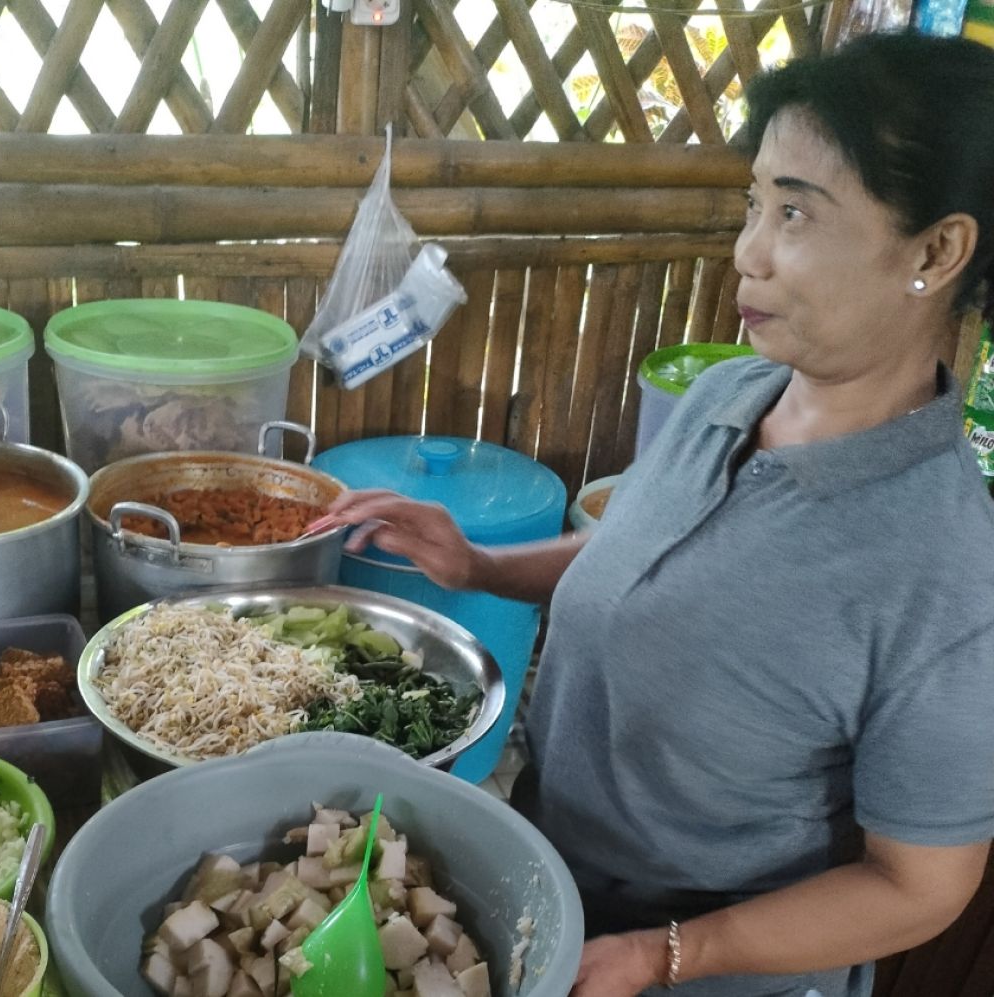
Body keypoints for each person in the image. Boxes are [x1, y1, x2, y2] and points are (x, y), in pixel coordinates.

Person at [322, 31, 994, 997]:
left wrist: (675, 952)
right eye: (753, 203)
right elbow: (633, 559)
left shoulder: (945, 570)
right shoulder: (731, 396)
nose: (748, 252)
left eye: (796, 213)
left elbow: (918, 886)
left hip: (708, 967)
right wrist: (478, 565)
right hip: (554, 887)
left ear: (936, 248)